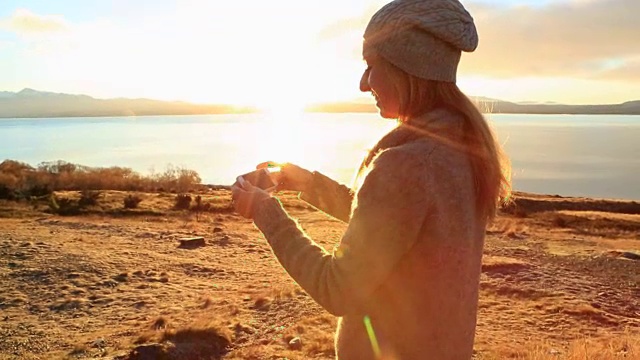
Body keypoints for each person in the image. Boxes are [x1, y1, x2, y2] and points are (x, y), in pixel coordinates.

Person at [231, 0, 511, 358]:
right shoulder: (461, 144)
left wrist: (263, 210)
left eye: (371, 67)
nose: (364, 84)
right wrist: (306, 183)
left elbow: (337, 289)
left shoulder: (408, 163)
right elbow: (393, 226)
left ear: (407, 68)